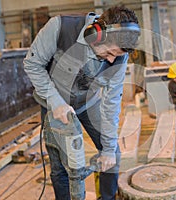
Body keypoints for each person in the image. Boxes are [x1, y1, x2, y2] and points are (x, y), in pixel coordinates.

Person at [23, 6, 140, 200]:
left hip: (88, 102)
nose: (112, 60)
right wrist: (54, 101)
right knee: (60, 166)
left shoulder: (119, 55)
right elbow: (32, 64)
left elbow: (112, 100)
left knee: (112, 153)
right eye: (110, 52)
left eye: (116, 56)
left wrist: (108, 150)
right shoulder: (60, 29)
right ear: (97, 33)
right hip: (55, 104)